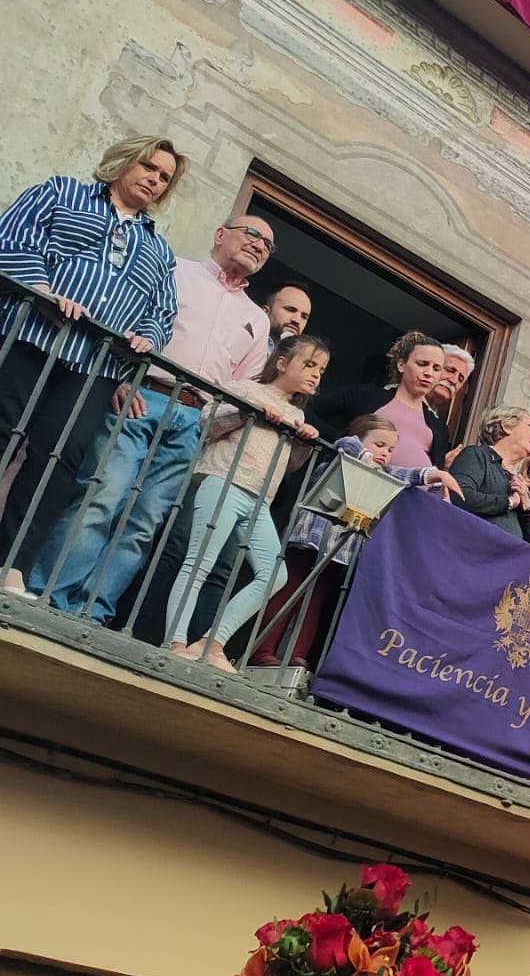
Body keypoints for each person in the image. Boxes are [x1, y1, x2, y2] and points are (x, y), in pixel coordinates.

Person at [27, 216, 276, 623]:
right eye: (253, 234)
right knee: (103, 495)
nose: (260, 245)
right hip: (143, 394)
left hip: (195, 419)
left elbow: (244, 385)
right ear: (219, 234)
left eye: (267, 244)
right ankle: (50, 596)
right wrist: (120, 379)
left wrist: (210, 423)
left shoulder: (259, 318)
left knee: (144, 521)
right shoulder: (174, 269)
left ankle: (93, 612)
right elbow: (134, 321)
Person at [0, 136, 183, 587]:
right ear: (124, 161)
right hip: (27, 337)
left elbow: (163, 313)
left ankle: (12, 565)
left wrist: (147, 338)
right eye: (149, 166)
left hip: (94, 369)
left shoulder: (159, 252)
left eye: (164, 177)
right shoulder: (61, 192)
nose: (155, 179)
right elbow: (11, 239)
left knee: (58, 461)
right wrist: (43, 291)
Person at [164, 335, 328, 671]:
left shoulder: (296, 413)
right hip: (224, 481)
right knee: (199, 564)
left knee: (273, 575)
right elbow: (207, 423)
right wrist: (247, 413)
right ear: (282, 363)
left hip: (259, 500)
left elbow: (291, 465)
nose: (316, 374)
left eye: (321, 370)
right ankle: (175, 640)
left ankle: (212, 643)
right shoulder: (247, 389)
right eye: (309, 365)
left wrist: (304, 443)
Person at [248, 414, 461, 668]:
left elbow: (404, 475)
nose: (385, 453)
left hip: (340, 549)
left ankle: (297, 655)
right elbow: (346, 442)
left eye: (391, 449)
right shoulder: (346, 453)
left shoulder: (382, 472)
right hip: (311, 538)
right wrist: (365, 455)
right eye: (379, 445)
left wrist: (436, 475)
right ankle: (261, 651)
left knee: (314, 601)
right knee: (288, 590)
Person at [309, 332, 450, 471]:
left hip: (415, 493)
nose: (429, 373)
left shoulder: (439, 428)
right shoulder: (364, 395)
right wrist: (344, 440)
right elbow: (307, 406)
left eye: (436, 368)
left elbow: (438, 474)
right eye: (422, 364)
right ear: (401, 365)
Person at [450, 405, 530, 544]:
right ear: (507, 426)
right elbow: (459, 496)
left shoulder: (518, 479)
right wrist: (510, 502)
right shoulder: (477, 455)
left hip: (507, 562)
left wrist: (526, 505)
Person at [432, 344, 473, 420]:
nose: (454, 381)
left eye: (460, 379)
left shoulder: (440, 428)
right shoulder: (404, 404)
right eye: (450, 370)